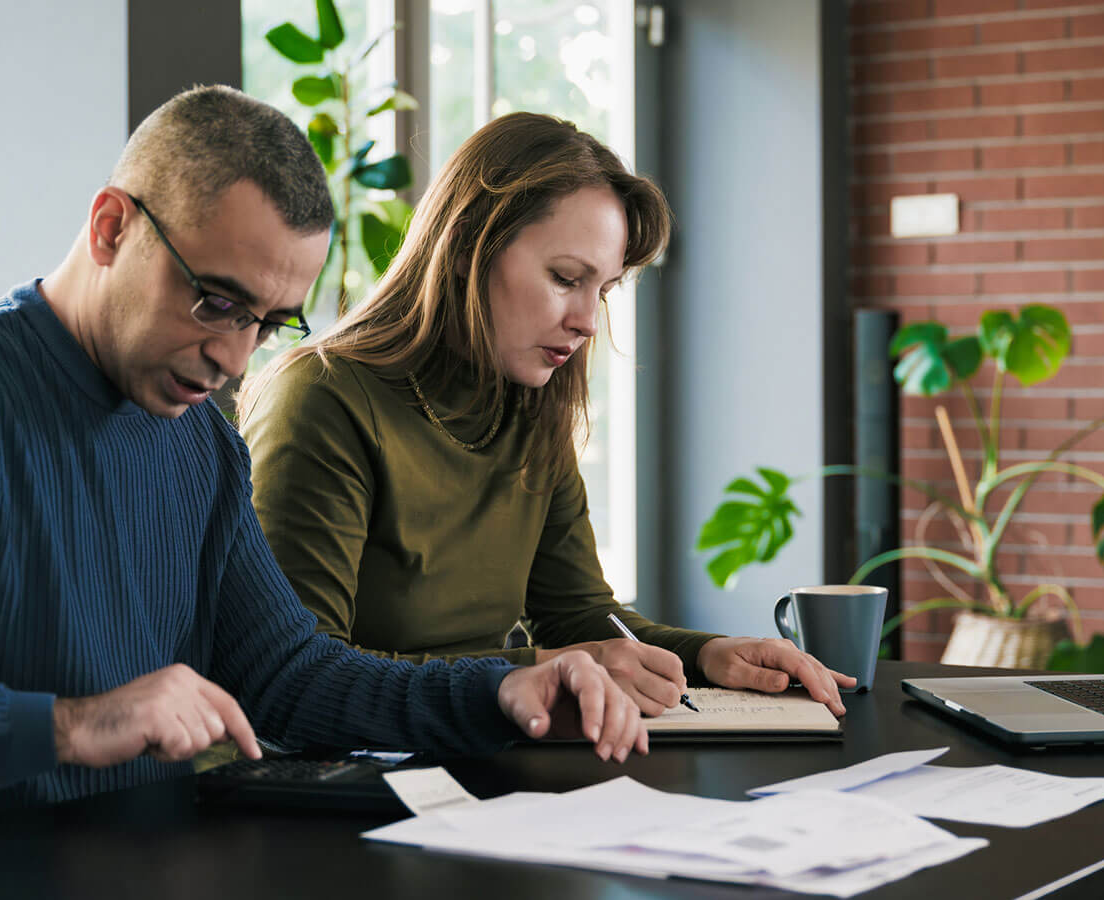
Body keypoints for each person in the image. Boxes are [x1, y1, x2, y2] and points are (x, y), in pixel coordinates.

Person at [0, 87, 646, 855]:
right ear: (112, 226)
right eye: (214, 300)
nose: (233, 357)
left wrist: (498, 693)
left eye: (268, 321)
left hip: (122, 867)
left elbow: (284, 671)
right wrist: (74, 726)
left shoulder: (195, 430)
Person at [238, 113, 855, 719]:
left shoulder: (530, 402)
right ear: (466, 248)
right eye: (566, 278)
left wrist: (712, 654)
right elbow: (299, 679)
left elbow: (582, 616)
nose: (588, 320)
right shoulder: (321, 398)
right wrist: (529, 672)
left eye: (604, 290)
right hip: (359, 780)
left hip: (492, 759)